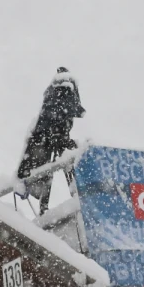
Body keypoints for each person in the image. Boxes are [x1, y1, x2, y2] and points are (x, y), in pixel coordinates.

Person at [16, 67, 85, 215]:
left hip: (45, 139)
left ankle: (45, 209)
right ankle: (47, 208)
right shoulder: (63, 93)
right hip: (48, 138)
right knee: (53, 167)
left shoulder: (54, 96)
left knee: (50, 167)